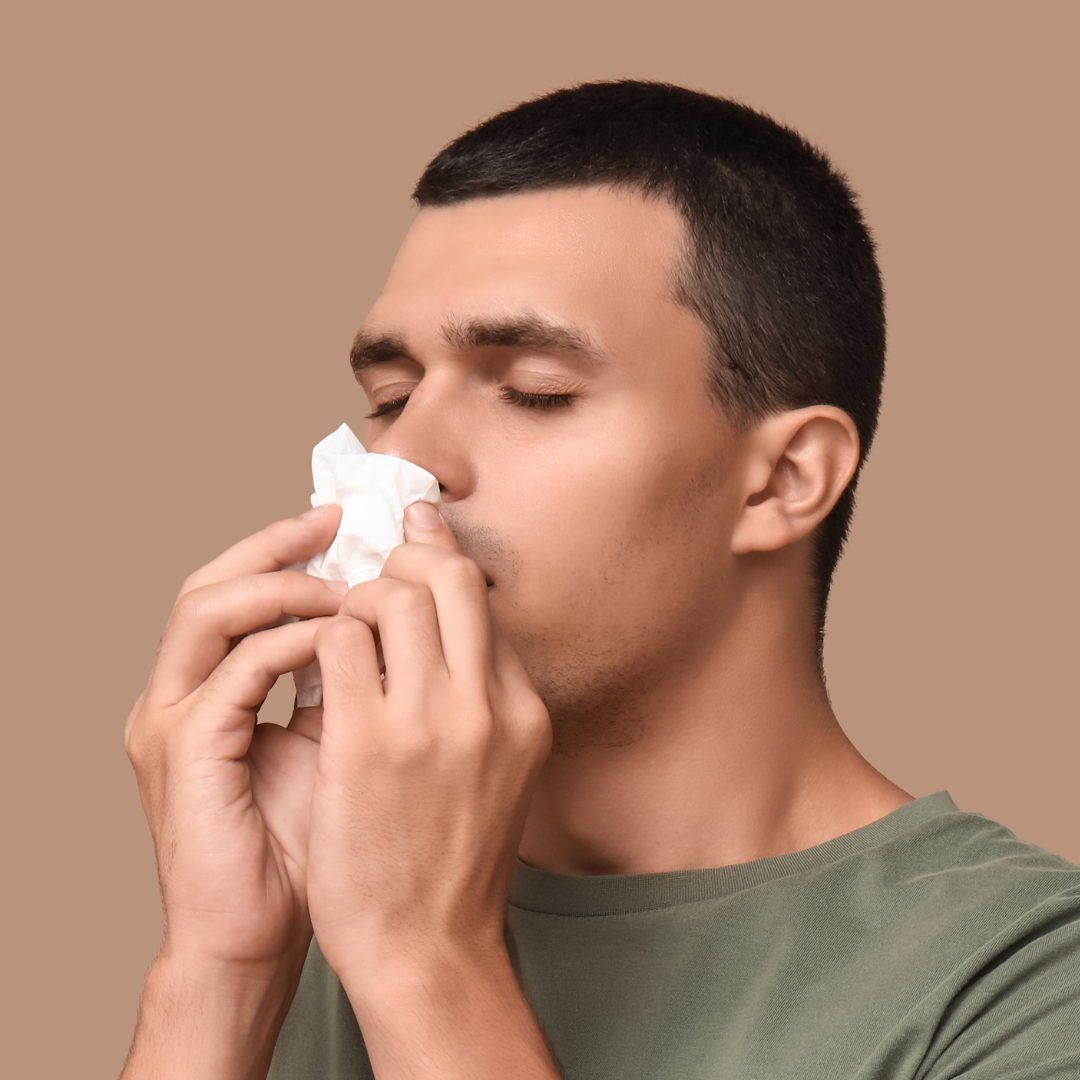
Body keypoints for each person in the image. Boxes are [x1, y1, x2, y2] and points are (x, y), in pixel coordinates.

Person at [120, 81, 1080, 1080]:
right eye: (392, 397)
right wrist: (219, 970)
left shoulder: (1023, 985)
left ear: (784, 481)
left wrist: (426, 964)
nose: (406, 459)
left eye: (534, 393)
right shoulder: (308, 914)